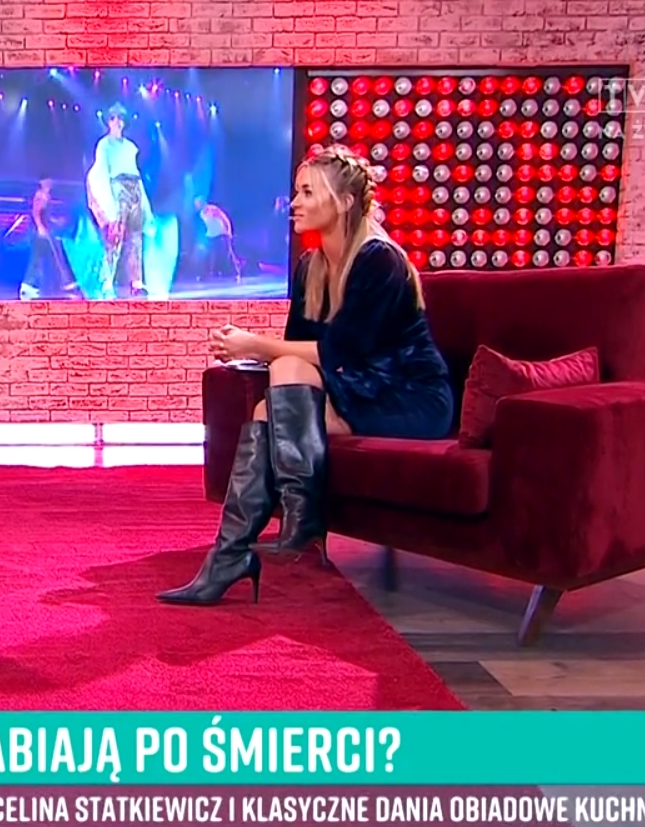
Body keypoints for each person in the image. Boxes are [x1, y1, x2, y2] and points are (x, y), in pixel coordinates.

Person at [157, 145, 453, 606]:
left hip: (408, 394)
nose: (294, 203)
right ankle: (232, 555)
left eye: (308, 192)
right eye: (297, 191)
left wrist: (253, 344)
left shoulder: (379, 261)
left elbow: (341, 353)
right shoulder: (309, 268)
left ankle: (300, 521)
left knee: (283, 374)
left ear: (345, 202)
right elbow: (300, 351)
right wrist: (254, 354)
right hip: (357, 385)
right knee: (271, 396)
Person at [86, 103, 150, 298]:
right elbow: (101, 172)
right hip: (118, 187)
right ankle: (106, 281)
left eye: (121, 118)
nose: (118, 122)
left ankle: (136, 281)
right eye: (114, 118)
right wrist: (108, 205)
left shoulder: (130, 147)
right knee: (115, 236)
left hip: (134, 187)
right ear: (109, 121)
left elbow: (136, 172)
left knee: (136, 237)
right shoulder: (104, 144)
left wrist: (145, 204)